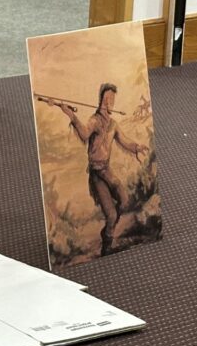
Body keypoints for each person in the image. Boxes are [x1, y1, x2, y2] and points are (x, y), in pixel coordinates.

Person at [46, 83, 148, 256]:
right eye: (107, 99)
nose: (110, 102)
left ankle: (109, 229)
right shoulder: (94, 120)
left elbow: (124, 141)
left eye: (113, 99)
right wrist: (71, 115)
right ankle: (106, 246)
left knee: (124, 201)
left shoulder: (113, 124)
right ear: (101, 100)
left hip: (107, 171)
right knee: (110, 214)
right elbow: (84, 134)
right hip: (97, 174)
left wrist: (137, 147)